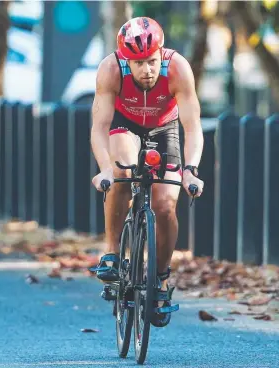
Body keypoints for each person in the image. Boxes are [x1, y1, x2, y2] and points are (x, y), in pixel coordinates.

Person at [90, 16, 204, 327]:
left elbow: (192, 127)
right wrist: (104, 171)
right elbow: (99, 127)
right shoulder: (111, 69)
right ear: (127, 61)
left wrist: (191, 171)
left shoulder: (177, 68)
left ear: (161, 53)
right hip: (125, 125)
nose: (147, 70)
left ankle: (161, 280)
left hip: (164, 128)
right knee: (122, 170)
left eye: (151, 61)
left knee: (165, 204)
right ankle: (112, 252)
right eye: (138, 63)